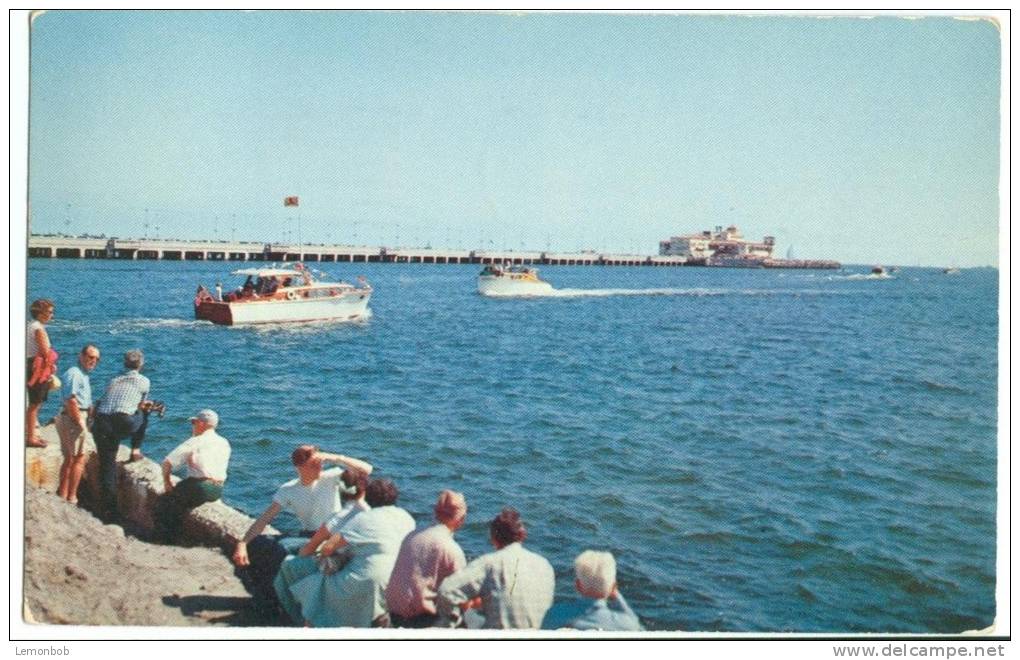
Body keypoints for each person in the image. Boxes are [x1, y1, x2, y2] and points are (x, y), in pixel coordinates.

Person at [232, 446, 373, 618]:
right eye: (313, 464)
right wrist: (243, 543)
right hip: (308, 535)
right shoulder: (289, 489)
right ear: (299, 467)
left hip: (331, 537)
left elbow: (366, 470)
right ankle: (264, 598)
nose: (319, 468)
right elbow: (264, 519)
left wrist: (334, 457)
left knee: (282, 549)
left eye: (320, 463)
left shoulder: (331, 477)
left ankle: (280, 604)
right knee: (257, 545)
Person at [284, 478, 415, 627]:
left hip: (368, 582)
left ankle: (311, 626)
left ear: (368, 497)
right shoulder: (406, 517)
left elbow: (328, 548)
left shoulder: (363, 519)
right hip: (397, 580)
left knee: (318, 586)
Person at [273, 468, 371, 623]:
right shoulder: (370, 513)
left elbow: (309, 549)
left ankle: (297, 617)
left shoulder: (339, 517)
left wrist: (300, 559)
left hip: (340, 567)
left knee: (287, 563)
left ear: (342, 490)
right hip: (360, 565)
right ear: (364, 489)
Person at [437, 507, 555, 629]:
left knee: (469, 615)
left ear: (493, 538)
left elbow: (446, 591)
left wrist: (453, 620)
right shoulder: (545, 566)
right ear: (522, 535)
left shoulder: (489, 564)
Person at [384, 490, 468, 628]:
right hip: (421, 621)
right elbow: (464, 600)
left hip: (394, 615)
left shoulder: (412, 535)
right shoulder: (451, 549)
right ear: (461, 520)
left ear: (435, 513)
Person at [91, 349, 153, 519]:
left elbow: (101, 402)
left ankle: (109, 509)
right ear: (141, 364)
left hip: (101, 423)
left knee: (107, 465)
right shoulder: (144, 381)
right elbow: (140, 404)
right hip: (123, 421)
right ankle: (135, 450)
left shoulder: (114, 380)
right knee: (145, 411)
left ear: (125, 364)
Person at [154, 409, 231, 542]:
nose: (193, 426)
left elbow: (166, 463)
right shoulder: (224, 443)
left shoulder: (196, 441)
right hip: (217, 490)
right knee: (183, 500)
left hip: (199, 487)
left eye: (194, 422)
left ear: (201, 424)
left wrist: (167, 483)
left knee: (166, 502)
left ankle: (166, 538)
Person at [542, 551, 643, 631]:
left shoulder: (554, 614)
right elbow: (637, 626)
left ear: (577, 586)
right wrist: (616, 595)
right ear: (613, 588)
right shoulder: (627, 625)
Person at [55, 344, 100, 504]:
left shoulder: (83, 374)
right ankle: (70, 497)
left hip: (74, 416)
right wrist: (81, 422)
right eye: (90, 357)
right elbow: (71, 400)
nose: (93, 361)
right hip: (73, 417)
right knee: (78, 459)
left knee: (70, 459)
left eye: (96, 359)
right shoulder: (75, 373)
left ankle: (64, 495)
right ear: (81, 356)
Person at [26, 299, 55, 447]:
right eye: (49, 312)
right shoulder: (38, 329)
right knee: (35, 403)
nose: (52, 315)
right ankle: (31, 437)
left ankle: (32, 434)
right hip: (37, 367)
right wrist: (52, 366)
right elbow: (45, 352)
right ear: (41, 313)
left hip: (30, 364)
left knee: (34, 402)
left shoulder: (30, 326)